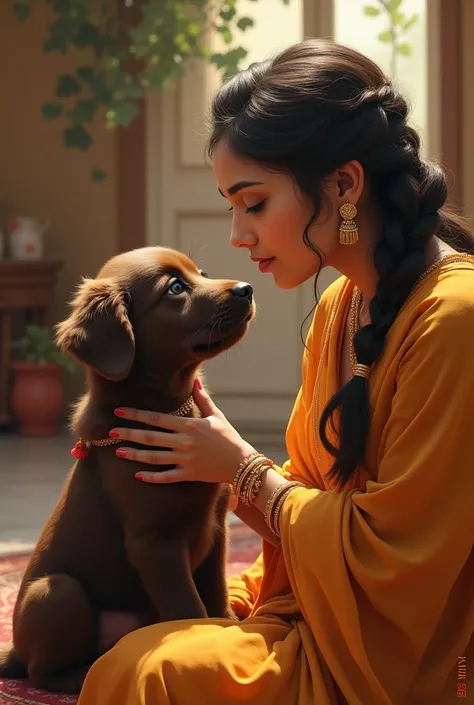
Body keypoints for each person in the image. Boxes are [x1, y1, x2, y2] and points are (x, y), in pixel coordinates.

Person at [77, 39, 474, 705]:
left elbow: (398, 562)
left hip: (397, 659)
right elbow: (314, 514)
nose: (236, 234)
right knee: (132, 637)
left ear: (344, 184)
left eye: (254, 203)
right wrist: (216, 463)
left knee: (151, 673)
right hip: (316, 610)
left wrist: (241, 472)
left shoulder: (455, 316)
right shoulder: (338, 309)